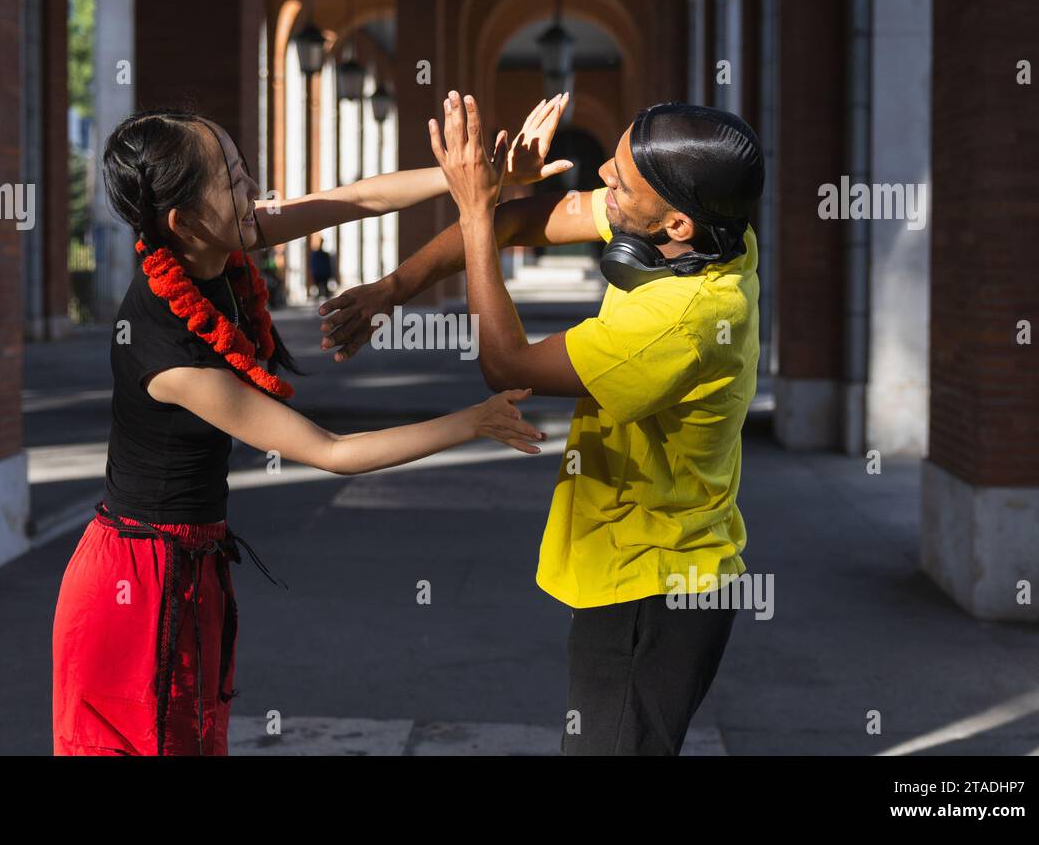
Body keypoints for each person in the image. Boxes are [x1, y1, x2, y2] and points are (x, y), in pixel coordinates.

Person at [52, 102, 569, 756]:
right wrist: (470, 422)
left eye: (242, 169)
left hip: (189, 565)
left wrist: (473, 177)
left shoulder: (214, 243)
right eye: (232, 180)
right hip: (139, 587)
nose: (252, 191)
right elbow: (329, 450)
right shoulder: (172, 356)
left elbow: (352, 198)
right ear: (184, 220)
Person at [321, 93, 764, 755]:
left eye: (620, 180)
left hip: (653, 589)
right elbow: (519, 222)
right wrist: (393, 288)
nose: (603, 180)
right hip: (648, 571)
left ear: (675, 225)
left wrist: (473, 208)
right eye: (612, 163)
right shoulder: (709, 229)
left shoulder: (683, 322)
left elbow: (506, 365)